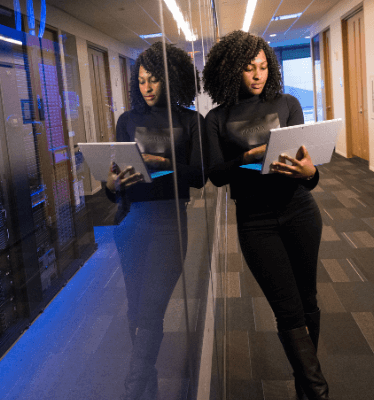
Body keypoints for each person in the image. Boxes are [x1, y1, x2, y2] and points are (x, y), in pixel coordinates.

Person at [202, 30, 329, 400]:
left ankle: (305, 388)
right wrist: (246, 158)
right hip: (255, 222)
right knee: (288, 311)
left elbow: (307, 173)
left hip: (299, 211)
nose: (257, 75)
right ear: (230, 71)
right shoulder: (217, 118)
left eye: (262, 67)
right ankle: (318, 391)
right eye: (248, 68)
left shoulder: (287, 103)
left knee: (308, 302)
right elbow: (215, 174)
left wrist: (312, 174)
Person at [104, 41, 204, 400]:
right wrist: (113, 184)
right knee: (136, 310)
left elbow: (199, 177)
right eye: (142, 80)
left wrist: (161, 164)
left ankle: (133, 389)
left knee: (151, 309)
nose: (146, 87)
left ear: (171, 79)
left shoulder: (191, 121)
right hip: (131, 222)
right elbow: (113, 187)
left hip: (169, 224)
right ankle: (147, 384)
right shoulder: (127, 121)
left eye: (154, 80)